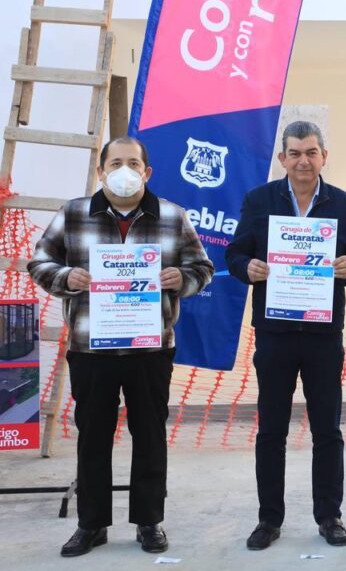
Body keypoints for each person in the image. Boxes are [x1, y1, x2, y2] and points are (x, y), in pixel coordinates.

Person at [28, 137, 214, 557]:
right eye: (116, 162)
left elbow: (203, 268)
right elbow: (39, 262)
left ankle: (149, 522)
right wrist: (66, 277)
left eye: (134, 163)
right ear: (101, 171)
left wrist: (180, 280)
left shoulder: (172, 215)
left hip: (150, 347)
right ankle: (91, 525)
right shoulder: (73, 213)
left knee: (149, 434)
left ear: (147, 172)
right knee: (92, 436)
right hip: (90, 348)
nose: (125, 170)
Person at [225, 121, 346, 550]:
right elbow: (236, 252)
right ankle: (269, 519)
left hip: (324, 335)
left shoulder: (343, 205)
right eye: (295, 153)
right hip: (274, 333)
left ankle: (330, 516)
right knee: (271, 429)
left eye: (311, 152)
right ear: (282, 158)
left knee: (327, 429)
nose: (303, 160)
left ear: (324, 155)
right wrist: (245, 268)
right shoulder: (260, 200)